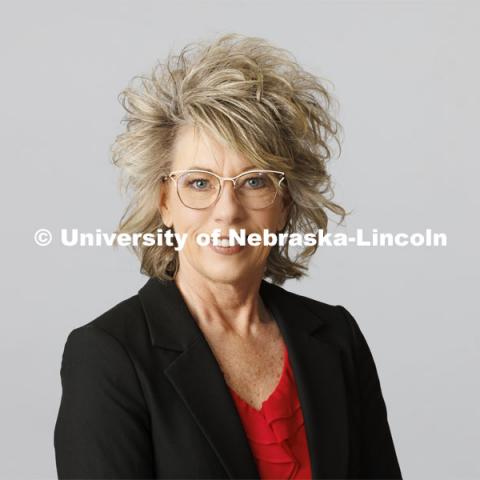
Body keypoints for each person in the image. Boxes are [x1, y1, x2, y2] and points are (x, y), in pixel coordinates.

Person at [54, 33, 402, 479]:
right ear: (164, 201)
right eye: (199, 183)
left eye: (254, 181)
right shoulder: (108, 355)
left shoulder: (336, 338)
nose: (227, 212)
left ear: (285, 203)